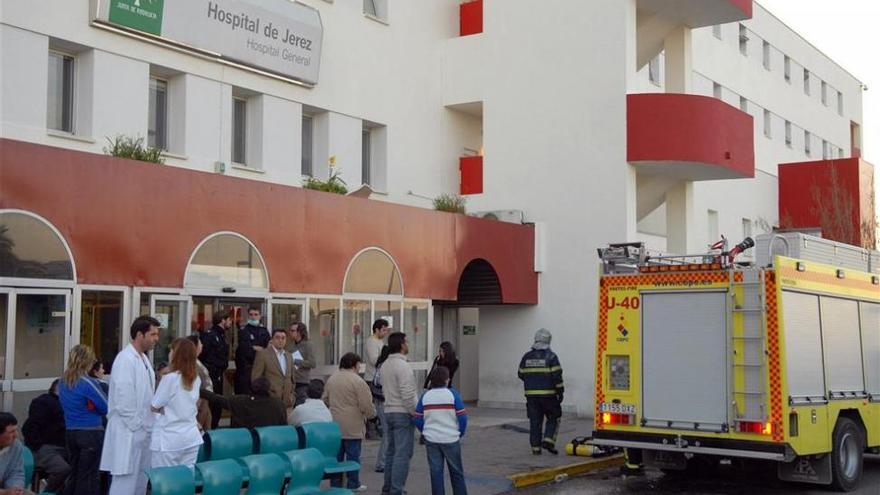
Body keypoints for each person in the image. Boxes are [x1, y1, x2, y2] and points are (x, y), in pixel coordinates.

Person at [100, 315, 160, 495]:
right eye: (153, 334)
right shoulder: (125, 359)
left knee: (140, 481)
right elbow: (123, 400)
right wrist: (138, 426)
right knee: (125, 483)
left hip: (143, 431)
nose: (156, 339)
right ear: (139, 335)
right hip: (130, 431)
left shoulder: (143, 359)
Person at [59, 345, 108, 495]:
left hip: (71, 431)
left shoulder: (63, 382)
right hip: (91, 432)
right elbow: (105, 406)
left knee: (75, 473)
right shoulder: (87, 382)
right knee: (89, 476)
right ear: (86, 361)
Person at [323, 353, 375, 493]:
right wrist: (372, 415)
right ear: (354, 364)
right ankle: (353, 483)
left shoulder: (332, 379)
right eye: (359, 364)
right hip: (353, 424)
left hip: (334, 424)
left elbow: (325, 399)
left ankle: (335, 484)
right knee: (353, 457)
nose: (359, 367)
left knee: (337, 457)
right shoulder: (358, 381)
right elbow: (366, 404)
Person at [413, 366, 468, 495]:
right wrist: (460, 432)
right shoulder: (453, 394)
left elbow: (417, 418)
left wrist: (425, 431)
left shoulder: (425, 396)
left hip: (431, 439)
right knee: (456, 473)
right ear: (446, 380)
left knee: (436, 473)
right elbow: (462, 417)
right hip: (451, 438)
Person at [151, 338, 203, 469]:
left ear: (176, 354)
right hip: (190, 436)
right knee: (185, 480)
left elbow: (154, 406)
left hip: (170, 438)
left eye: (171, 350)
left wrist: (163, 409)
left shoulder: (170, 378)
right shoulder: (196, 378)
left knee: (166, 481)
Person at [380, 332, 418, 495]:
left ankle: (388, 488)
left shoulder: (385, 364)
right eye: (406, 342)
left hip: (388, 410)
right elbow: (408, 394)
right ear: (402, 345)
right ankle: (396, 490)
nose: (408, 344)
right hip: (402, 412)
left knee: (391, 452)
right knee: (402, 454)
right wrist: (416, 413)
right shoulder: (403, 366)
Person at [517, 328, 564, 455]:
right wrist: (560, 391)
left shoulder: (526, 357)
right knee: (554, 416)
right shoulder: (552, 357)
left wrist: (532, 382)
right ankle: (548, 440)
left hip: (531, 397)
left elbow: (520, 374)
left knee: (535, 421)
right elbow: (557, 376)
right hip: (549, 395)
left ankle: (536, 449)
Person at [22, 380, 70, 494]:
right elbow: (31, 427)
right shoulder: (45, 403)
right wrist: (37, 446)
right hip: (45, 447)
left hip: (55, 446)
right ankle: (49, 492)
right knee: (63, 469)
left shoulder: (57, 403)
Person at [200, 377, 286, 428]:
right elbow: (283, 427)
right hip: (270, 447)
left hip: (243, 445)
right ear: (269, 388)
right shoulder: (278, 404)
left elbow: (216, 399)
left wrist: (197, 389)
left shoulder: (240, 401)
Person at [199, 311, 231, 429]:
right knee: (211, 403)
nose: (230, 323)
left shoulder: (222, 335)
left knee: (217, 404)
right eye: (229, 320)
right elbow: (204, 355)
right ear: (223, 320)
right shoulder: (210, 335)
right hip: (211, 375)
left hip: (218, 374)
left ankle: (214, 427)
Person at [251, 328, 295, 408]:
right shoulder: (263, 354)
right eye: (277, 337)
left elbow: (292, 378)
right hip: (269, 402)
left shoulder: (289, 356)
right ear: (272, 339)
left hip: (287, 403)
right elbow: (255, 379)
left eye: (283, 338)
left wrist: (292, 396)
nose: (280, 340)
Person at [364, 319, 390, 442]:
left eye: (386, 330)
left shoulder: (380, 341)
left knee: (380, 405)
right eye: (383, 330)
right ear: (377, 329)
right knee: (372, 406)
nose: (385, 333)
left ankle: (378, 428)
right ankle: (371, 430)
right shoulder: (371, 342)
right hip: (371, 378)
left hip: (380, 378)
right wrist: (385, 355)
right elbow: (375, 361)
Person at [234, 306, 270, 394]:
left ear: (260, 316)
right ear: (248, 316)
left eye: (256, 314)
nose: (253, 317)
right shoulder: (243, 330)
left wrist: (255, 348)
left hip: (261, 370)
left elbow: (268, 349)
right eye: (251, 314)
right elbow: (245, 350)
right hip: (246, 370)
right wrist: (257, 349)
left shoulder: (264, 331)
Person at [370, 345, 391, 472]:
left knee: (387, 432)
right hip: (383, 401)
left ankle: (384, 460)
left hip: (379, 401)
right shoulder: (385, 367)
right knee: (387, 433)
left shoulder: (379, 366)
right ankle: (381, 462)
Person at [187, 335, 213, 432]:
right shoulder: (191, 365)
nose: (202, 345)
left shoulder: (197, 361)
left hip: (205, 404)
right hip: (200, 405)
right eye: (200, 343)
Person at [286, 323, 316, 406]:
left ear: (299, 332)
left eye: (293, 331)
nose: (290, 333)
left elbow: (312, 363)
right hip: (291, 380)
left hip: (302, 381)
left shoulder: (308, 345)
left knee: (300, 405)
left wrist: (295, 361)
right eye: (290, 330)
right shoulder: (290, 345)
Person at [0, 412, 25, 495]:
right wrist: (5, 492)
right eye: (11, 432)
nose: (16, 435)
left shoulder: (16, 445)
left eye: (16, 430)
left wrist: (15, 488)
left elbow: (16, 472)